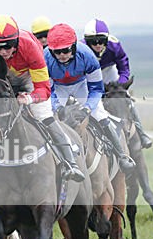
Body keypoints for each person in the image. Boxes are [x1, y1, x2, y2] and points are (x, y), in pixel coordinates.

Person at [0, 14, 84, 183]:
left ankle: (70, 162)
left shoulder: (31, 47)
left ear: (16, 41)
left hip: (29, 77)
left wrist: (30, 98)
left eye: (8, 46)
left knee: (42, 114)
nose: (3, 52)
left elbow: (44, 89)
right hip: (4, 78)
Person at [44, 24, 136, 173]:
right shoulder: (45, 58)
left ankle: (121, 156)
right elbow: (48, 90)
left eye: (65, 50)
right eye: (57, 51)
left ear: (73, 46)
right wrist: (57, 107)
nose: (62, 55)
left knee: (99, 114)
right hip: (58, 88)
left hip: (82, 85)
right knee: (47, 116)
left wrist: (87, 108)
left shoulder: (87, 55)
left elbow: (96, 89)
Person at [83, 18, 152, 148]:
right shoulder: (81, 49)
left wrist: (120, 85)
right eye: (93, 41)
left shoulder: (114, 46)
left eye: (101, 41)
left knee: (124, 98)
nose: (98, 44)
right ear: (87, 41)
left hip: (109, 72)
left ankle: (141, 133)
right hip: (89, 75)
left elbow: (124, 68)